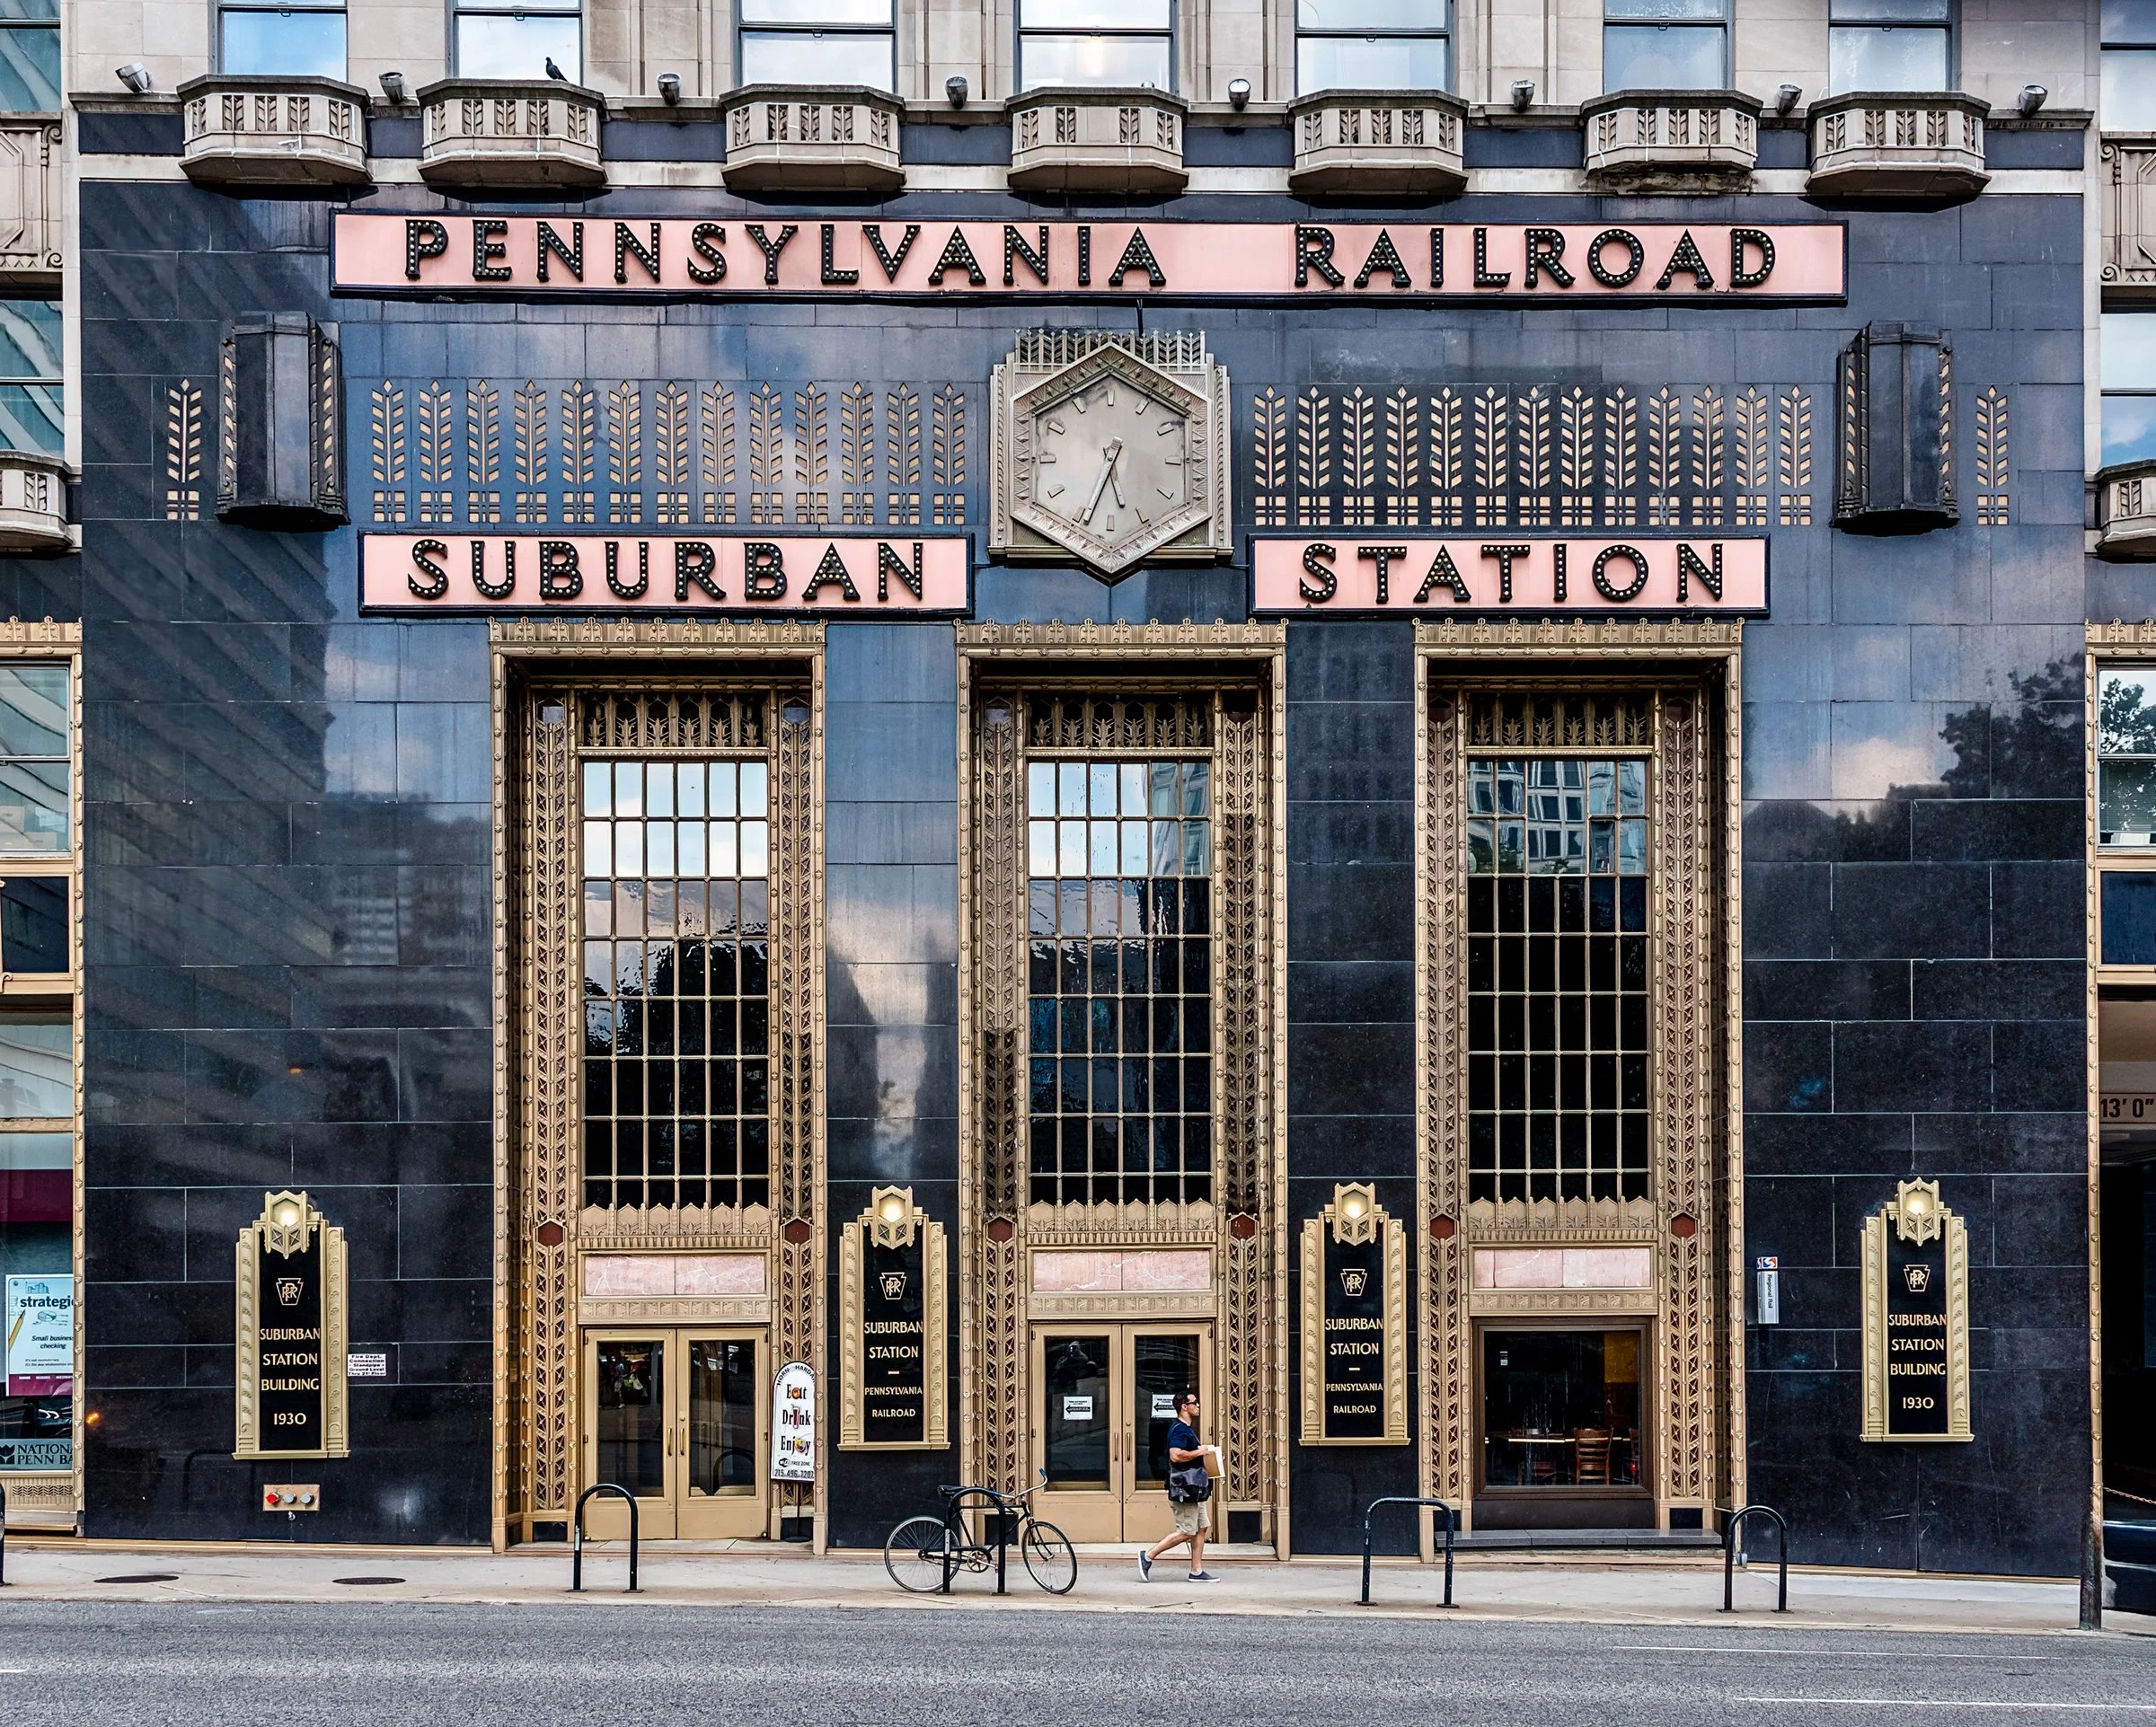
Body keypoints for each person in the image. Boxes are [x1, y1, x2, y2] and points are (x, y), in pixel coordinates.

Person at [1139, 1388, 1220, 1582]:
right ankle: (1147, 1556)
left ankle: (1196, 1571)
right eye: (1195, 1403)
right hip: (1185, 1489)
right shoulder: (1180, 1430)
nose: (1198, 1406)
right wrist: (1199, 1452)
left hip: (1194, 1489)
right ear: (1185, 1407)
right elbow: (1175, 1455)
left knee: (1202, 1527)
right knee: (1186, 1531)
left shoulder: (1185, 1428)